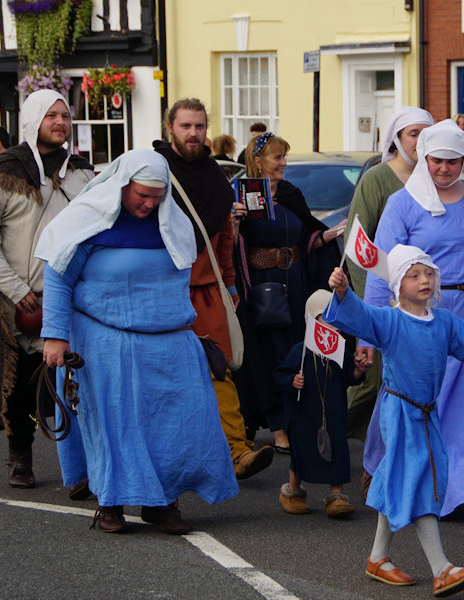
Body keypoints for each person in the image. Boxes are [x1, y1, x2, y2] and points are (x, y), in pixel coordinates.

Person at [37, 149, 238, 533]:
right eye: (141, 194)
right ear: (121, 185)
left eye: (156, 196)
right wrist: (56, 337)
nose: (148, 203)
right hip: (104, 342)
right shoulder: (86, 223)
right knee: (114, 424)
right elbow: (58, 278)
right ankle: (110, 501)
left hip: (168, 341)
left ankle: (163, 502)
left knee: (173, 425)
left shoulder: (173, 224)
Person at [326, 246, 464, 596]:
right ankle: (442, 568)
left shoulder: (444, 322)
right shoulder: (389, 320)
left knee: (400, 477)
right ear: (397, 283)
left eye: (428, 273)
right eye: (413, 274)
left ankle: (378, 558)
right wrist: (343, 292)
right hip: (400, 412)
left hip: (426, 413)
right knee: (420, 480)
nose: (424, 280)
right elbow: (358, 316)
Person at [363, 119, 464, 523]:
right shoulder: (402, 204)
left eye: (454, 161)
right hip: (420, 316)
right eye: (437, 160)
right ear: (424, 157)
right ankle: (393, 473)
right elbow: (380, 269)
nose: (445, 169)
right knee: (416, 400)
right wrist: (370, 334)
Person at [0, 90, 95, 489]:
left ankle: (83, 467)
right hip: (24, 300)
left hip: (74, 297)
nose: (60, 122)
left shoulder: (82, 173)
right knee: (20, 385)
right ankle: (20, 456)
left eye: (65, 116)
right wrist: (17, 290)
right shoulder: (6, 172)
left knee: (77, 385)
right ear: (34, 120)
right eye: (51, 115)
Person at [154, 98, 274, 480]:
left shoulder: (216, 177)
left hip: (208, 291)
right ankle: (168, 461)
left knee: (220, 369)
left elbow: (222, 237)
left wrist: (229, 282)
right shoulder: (151, 171)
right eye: (186, 126)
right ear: (170, 128)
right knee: (164, 377)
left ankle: (238, 451)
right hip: (164, 290)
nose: (193, 133)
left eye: (200, 126)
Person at [233, 131, 344, 453]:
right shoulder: (243, 196)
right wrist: (234, 223)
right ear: (258, 162)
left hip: (295, 284)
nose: (283, 163)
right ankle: (278, 426)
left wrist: (332, 234)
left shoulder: (292, 193)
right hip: (262, 287)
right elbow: (230, 243)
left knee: (295, 351)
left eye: (284, 157)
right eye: (277, 157)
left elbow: (308, 237)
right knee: (269, 352)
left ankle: (296, 420)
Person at [344, 106, 433, 441]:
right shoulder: (377, 180)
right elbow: (358, 244)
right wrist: (378, 298)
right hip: (384, 297)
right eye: (413, 134)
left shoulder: (434, 181)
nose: (420, 142)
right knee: (371, 378)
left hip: (422, 298)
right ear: (397, 138)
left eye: (426, 135)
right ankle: (328, 435)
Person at [274, 290, 365, 518]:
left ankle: (336, 495)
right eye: (328, 317)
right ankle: (293, 491)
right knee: (302, 450)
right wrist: (291, 380)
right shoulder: (301, 350)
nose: (335, 323)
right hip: (304, 413)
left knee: (338, 452)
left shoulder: (341, 351)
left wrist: (359, 370)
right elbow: (280, 374)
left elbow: (349, 378)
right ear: (313, 319)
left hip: (334, 413)